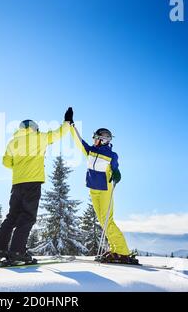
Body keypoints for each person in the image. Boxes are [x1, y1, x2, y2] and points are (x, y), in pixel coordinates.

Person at [0, 108, 74, 265]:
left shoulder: (13, 142)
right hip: (32, 183)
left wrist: (19, 166)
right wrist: (67, 122)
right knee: (27, 217)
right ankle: (17, 252)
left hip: (17, 184)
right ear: (34, 128)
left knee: (12, 217)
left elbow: (5, 162)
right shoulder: (40, 137)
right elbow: (59, 133)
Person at [70, 109, 137, 264]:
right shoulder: (91, 151)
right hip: (93, 190)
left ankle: (122, 251)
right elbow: (79, 141)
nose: (93, 140)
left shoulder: (111, 155)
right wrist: (71, 125)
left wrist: (117, 173)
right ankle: (115, 249)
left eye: (95, 138)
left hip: (105, 190)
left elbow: (115, 168)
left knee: (107, 220)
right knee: (102, 221)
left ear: (103, 139)